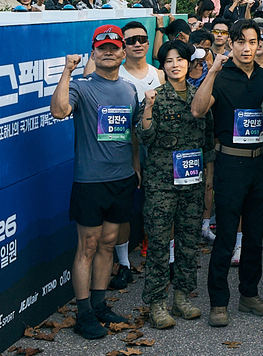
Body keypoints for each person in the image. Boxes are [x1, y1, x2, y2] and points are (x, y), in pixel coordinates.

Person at [49, 25, 142, 339]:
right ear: (94, 52)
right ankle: (84, 312)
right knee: (87, 246)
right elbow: (59, 110)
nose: (109, 52)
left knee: (108, 243)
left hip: (122, 179)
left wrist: (135, 167)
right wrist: (66, 70)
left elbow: (131, 135)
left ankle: (101, 304)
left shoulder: (130, 90)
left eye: (114, 47)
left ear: (122, 51)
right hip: (91, 181)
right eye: (102, 48)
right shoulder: (82, 85)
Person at [191, 20, 263, 326]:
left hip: (259, 164)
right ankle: (219, 302)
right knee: (226, 236)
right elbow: (198, 110)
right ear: (231, 43)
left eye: (252, 41)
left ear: (261, 45)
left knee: (255, 235)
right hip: (230, 163)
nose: (246, 47)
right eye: (240, 41)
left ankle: (249, 294)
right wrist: (212, 71)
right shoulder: (220, 77)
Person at [139, 40, 213, 329]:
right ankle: (157, 303)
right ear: (163, 65)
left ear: (188, 63)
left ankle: (182, 297)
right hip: (161, 183)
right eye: (168, 60)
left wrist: (209, 178)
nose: (175, 65)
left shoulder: (200, 96)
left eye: (180, 59)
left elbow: (207, 141)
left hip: (193, 182)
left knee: (188, 240)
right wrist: (148, 107)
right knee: (158, 242)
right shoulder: (154, 96)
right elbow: (144, 137)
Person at [106, 21, 162, 289]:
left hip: (157, 149)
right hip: (124, 149)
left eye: (142, 39)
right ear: (122, 46)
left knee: (159, 203)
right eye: (131, 40)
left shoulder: (159, 74)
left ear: (148, 43)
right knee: (125, 210)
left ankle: (161, 255)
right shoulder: (114, 75)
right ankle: (123, 264)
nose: (137, 43)